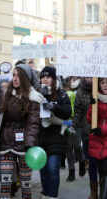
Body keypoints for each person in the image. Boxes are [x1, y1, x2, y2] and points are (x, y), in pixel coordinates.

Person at [0, 64, 43, 199]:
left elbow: (33, 124)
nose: (15, 79)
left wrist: (29, 144)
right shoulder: (6, 94)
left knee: (25, 184)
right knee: (5, 184)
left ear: (25, 78)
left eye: (18, 76)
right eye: (14, 75)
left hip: (24, 145)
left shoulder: (33, 97)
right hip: (6, 144)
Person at [38, 66, 72, 199]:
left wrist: (54, 106)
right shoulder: (37, 93)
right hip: (41, 138)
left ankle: (53, 196)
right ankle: (45, 194)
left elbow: (68, 111)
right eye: (43, 77)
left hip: (57, 137)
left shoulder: (61, 93)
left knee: (52, 168)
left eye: (48, 77)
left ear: (53, 79)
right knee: (43, 170)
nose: (45, 79)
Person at [72, 77, 96, 198]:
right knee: (91, 164)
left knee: (102, 165)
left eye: (92, 77)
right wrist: (73, 125)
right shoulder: (80, 92)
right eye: (87, 77)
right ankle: (93, 192)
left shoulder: (103, 87)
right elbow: (78, 112)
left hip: (102, 133)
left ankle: (106, 189)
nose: (89, 79)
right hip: (88, 134)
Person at [64, 76, 86, 182]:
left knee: (77, 145)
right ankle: (71, 171)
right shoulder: (67, 81)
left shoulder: (83, 83)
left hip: (78, 120)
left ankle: (82, 160)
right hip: (67, 119)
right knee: (68, 147)